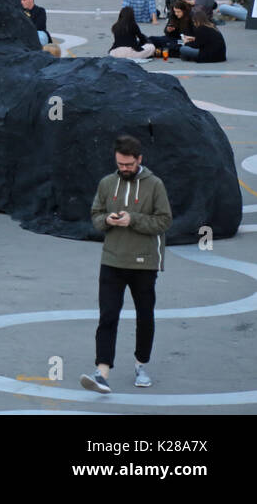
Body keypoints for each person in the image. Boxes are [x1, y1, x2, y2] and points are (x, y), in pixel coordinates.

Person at [80, 136, 172, 394]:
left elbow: (164, 221)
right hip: (111, 260)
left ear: (139, 160)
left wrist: (133, 219)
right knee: (107, 315)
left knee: (145, 316)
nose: (125, 168)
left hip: (144, 263)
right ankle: (102, 372)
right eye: (121, 163)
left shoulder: (155, 185)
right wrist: (107, 220)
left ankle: (141, 365)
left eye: (129, 164)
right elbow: (95, 216)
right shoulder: (107, 183)